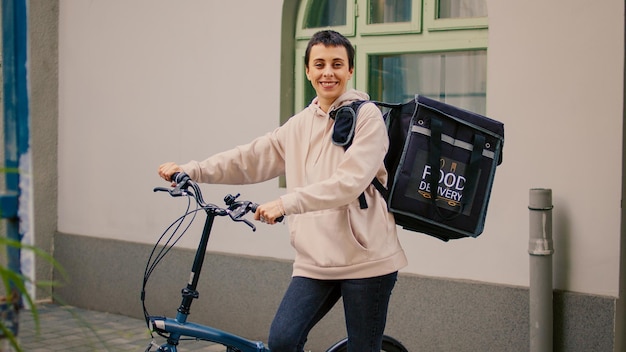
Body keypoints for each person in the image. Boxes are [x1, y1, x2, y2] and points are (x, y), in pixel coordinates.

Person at [158, 30, 407, 352]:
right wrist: (192, 169)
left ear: (349, 70)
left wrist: (287, 203)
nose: (327, 72)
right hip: (314, 259)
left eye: (336, 64)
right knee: (283, 341)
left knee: (362, 348)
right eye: (319, 64)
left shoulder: (368, 117)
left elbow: (349, 182)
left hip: (366, 258)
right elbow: (249, 158)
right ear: (307, 71)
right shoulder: (299, 124)